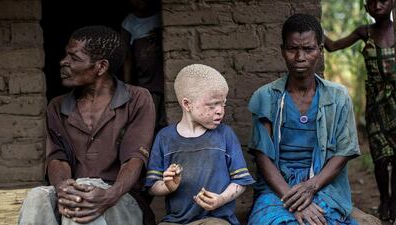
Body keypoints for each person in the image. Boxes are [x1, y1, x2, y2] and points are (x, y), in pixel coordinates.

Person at [18, 25, 155, 225]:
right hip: (78, 195)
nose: (63, 62)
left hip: (122, 200)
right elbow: (58, 158)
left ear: (101, 67)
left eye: (74, 58)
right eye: (66, 56)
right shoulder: (57, 106)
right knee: (37, 197)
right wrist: (64, 189)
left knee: (83, 199)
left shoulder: (137, 99)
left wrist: (110, 195)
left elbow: (134, 158)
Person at [247, 14, 361, 225]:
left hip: (323, 184)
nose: (300, 57)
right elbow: (263, 158)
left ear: (320, 49)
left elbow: (344, 152)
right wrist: (293, 198)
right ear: (282, 50)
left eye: (308, 49)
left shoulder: (338, 97)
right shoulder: (266, 97)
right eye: (292, 49)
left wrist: (311, 187)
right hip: (278, 187)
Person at [145, 64, 255, 225]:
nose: (220, 110)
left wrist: (221, 199)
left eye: (222, 104)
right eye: (212, 105)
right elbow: (152, 186)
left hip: (216, 219)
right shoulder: (165, 138)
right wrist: (167, 186)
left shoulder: (225, 135)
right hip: (175, 221)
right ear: (187, 104)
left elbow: (241, 181)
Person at [324, 0, 396, 221]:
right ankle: (385, 198)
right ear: (366, 8)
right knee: (381, 159)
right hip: (377, 107)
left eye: (383, 0)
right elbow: (333, 46)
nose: (377, 5)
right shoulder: (365, 32)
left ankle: (393, 204)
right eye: (372, 2)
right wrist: (313, 26)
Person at [121, 0, 167, 133]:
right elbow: (127, 57)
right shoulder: (129, 22)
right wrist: (127, 86)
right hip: (145, 81)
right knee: (149, 120)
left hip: (164, 79)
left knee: (165, 119)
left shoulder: (162, 16)